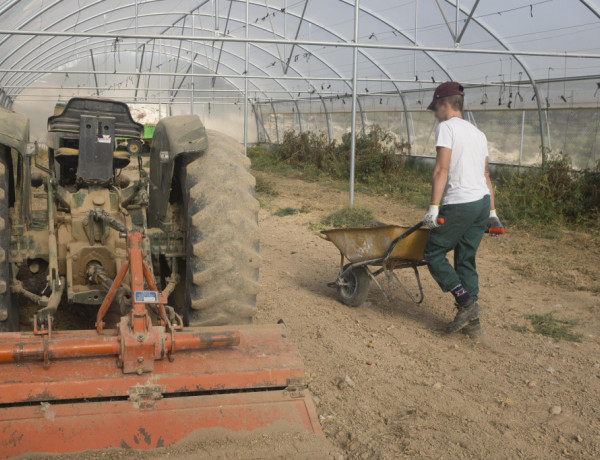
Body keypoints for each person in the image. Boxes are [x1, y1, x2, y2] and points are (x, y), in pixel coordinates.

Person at [422, 82, 504, 338]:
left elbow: (441, 170)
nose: (435, 113)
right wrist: (492, 212)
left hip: (461, 203)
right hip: (480, 203)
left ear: (445, 104)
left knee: (433, 252)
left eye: (436, 107)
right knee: (465, 258)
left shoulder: (446, 128)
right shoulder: (478, 134)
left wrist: (434, 208)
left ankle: (467, 304)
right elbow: (485, 175)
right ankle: (474, 324)